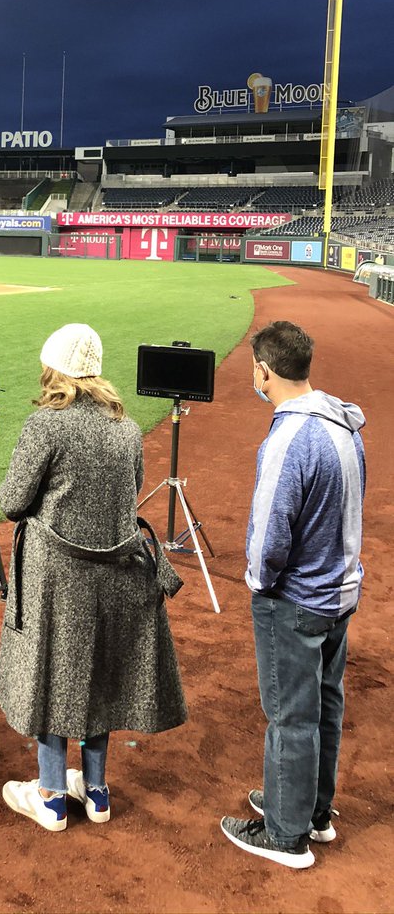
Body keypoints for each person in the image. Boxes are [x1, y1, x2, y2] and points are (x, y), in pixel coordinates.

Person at [0, 323, 187, 832]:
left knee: (52, 675)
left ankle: (51, 795)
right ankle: (97, 792)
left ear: (54, 368)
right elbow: (131, 490)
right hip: (117, 575)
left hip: (56, 580)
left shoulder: (46, 425)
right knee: (100, 674)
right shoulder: (125, 426)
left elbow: (11, 502)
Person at [220, 320, 365, 870]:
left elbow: (270, 534)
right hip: (339, 593)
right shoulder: (344, 422)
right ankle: (311, 810)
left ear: (264, 370)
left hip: (297, 600)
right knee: (324, 707)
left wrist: (260, 584)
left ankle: (285, 834)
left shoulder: (288, 438)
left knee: (290, 717)